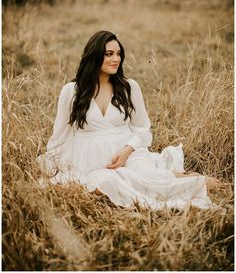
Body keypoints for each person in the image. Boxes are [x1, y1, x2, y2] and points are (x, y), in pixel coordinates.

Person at [37, 30, 225, 210]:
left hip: (127, 152)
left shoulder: (129, 88)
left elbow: (142, 128)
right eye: (109, 54)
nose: (116, 59)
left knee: (147, 179)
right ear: (94, 56)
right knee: (103, 184)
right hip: (89, 160)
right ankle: (175, 177)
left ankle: (194, 183)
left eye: (118, 54)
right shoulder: (72, 91)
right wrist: (50, 162)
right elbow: (61, 134)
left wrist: (127, 151)